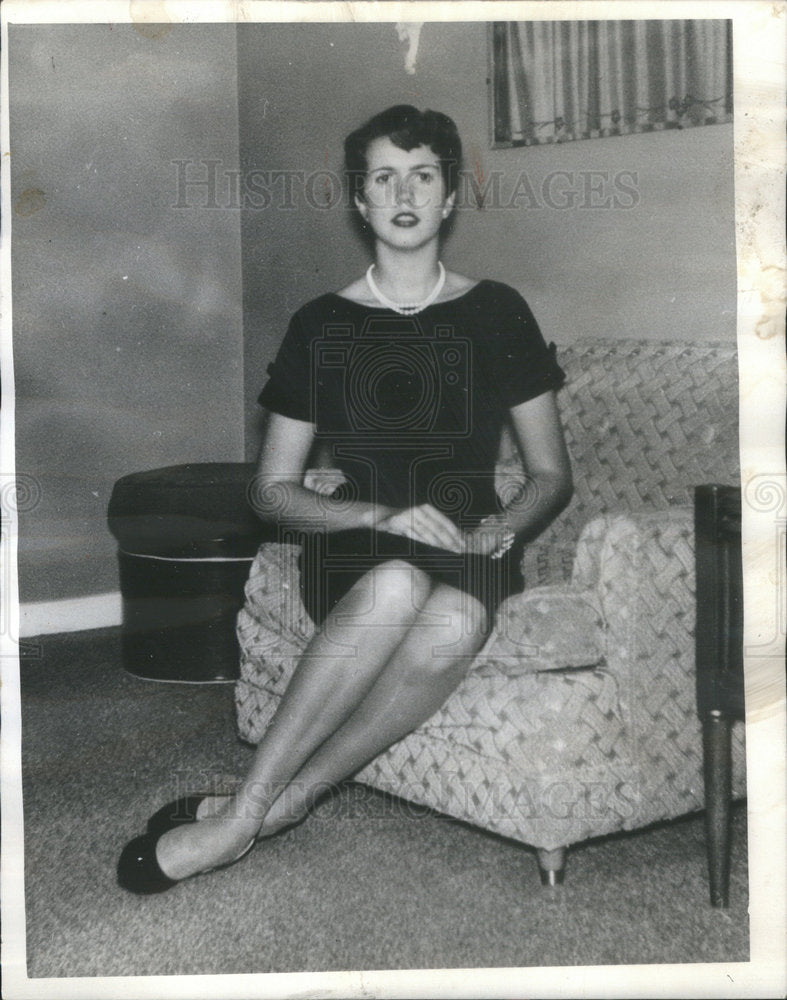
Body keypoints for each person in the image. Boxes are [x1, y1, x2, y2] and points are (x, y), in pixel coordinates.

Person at [117, 105, 573, 893]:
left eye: (422, 174)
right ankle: (239, 819)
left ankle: (285, 805)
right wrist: (378, 515)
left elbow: (550, 475)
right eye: (382, 177)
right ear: (359, 203)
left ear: (450, 195)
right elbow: (271, 493)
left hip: (468, 545)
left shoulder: (498, 310)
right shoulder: (321, 323)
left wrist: (502, 528)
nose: (403, 193)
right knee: (395, 583)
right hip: (355, 538)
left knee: (457, 618)